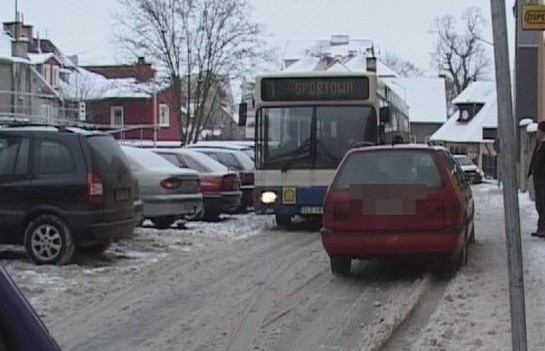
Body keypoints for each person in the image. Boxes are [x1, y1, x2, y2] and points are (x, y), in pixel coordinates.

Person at [528, 121, 545, 237]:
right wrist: (530, 171)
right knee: (539, 204)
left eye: (538, 131)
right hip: (537, 178)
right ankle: (540, 227)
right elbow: (534, 159)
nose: (537, 133)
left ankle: (543, 229)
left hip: (543, 178)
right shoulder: (538, 144)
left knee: (543, 203)